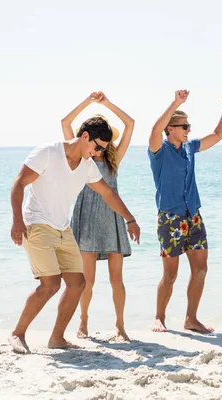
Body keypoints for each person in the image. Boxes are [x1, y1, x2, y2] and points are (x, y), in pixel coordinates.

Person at [8, 115, 140, 354]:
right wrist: (17, 220)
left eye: (103, 149)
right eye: (97, 146)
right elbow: (19, 183)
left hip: (63, 228)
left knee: (78, 283)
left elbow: (108, 194)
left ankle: (57, 338)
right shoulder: (48, 152)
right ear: (85, 136)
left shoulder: (88, 166)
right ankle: (18, 333)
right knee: (50, 285)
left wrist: (130, 219)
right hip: (36, 223)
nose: (98, 153)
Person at [148, 89, 222, 334]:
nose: (188, 130)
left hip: (193, 216)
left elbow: (218, 134)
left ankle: (191, 319)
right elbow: (154, 131)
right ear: (170, 129)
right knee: (170, 274)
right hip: (170, 218)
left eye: (189, 126)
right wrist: (175, 102)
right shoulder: (159, 151)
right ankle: (159, 317)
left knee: (201, 270)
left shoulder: (189, 148)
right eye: (184, 126)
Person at [61, 91, 136, 342]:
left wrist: (107, 104)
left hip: (112, 218)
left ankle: (120, 326)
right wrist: (86, 103)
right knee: (87, 281)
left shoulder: (115, 159)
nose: (98, 147)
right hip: (85, 218)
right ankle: (83, 322)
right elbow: (64, 123)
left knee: (117, 279)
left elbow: (131, 124)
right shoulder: (82, 156)